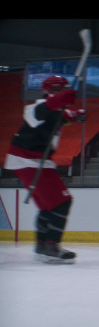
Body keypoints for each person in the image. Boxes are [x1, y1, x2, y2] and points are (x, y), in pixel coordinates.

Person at [3, 75, 86, 263]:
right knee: (63, 201)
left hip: (35, 161)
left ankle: (42, 244)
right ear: (52, 92)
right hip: (28, 160)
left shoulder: (54, 111)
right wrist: (63, 100)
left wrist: (74, 115)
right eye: (60, 90)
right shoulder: (34, 108)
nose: (62, 94)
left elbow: (58, 116)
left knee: (49, 206)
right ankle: (52, 245)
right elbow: (46, 110)